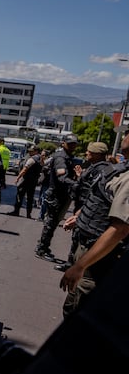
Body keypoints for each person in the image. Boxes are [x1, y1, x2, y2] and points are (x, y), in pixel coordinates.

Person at [59, 132, 129, 317]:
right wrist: (80, 216)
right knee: (72, 305)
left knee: (79, 310)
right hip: (89, 244)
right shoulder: (121, 169)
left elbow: (120, 229)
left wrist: (80, 265)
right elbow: (102, 198)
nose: (125, 136)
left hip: (101, 255)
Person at [56, 141, 112, 272]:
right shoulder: (94, 167)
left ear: (97, 154)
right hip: (83, 207)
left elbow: (94, 193)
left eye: (90, 152)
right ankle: (72, 262)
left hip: (88, 210)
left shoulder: (102, 170)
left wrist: (80, 213)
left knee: (81, 238)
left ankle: (75, 265)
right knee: (77, 237)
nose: (87, 153)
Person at [35, 135, 79, 262]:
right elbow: (62, 178)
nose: (72, 146)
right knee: (50, 223)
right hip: (56, 195)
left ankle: (43, 247)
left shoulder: (66, 156)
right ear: (63, 143)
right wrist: (76, 184)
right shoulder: (61, 157)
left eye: (74, 144)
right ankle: (42, 249)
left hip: (60, 195)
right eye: (70, 143)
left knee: (52, 223)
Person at [9, 145, 43, 218]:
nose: (30, 152)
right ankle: (28, 214)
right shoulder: (40, 159)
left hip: (26, 180)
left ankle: (16, 211)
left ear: (36, 151)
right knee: (30, 198)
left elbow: (25, 169)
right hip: (33, 181)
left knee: (20, 195)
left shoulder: (32, 159)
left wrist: (18, 178)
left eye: (32, 151)